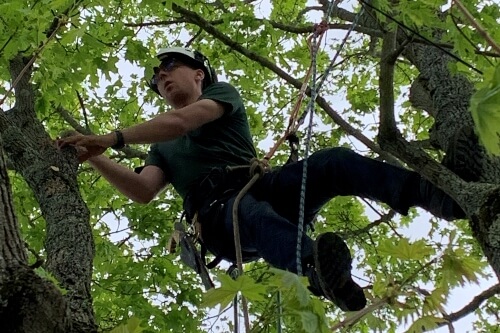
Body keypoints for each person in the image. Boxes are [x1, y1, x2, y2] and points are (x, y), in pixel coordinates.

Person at [58, 47, 475, 312]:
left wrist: (110, 138)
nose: (161, 77)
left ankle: (437, 195)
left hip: (264, 186)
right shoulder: (161, 150)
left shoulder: (221, 97)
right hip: (219, 214)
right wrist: (95, 157)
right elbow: (143, 190)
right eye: (156, 79)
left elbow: (182, 122)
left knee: (333, 162)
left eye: (170, 67)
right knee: (255, 217)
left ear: (199, 73)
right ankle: (320, 271)